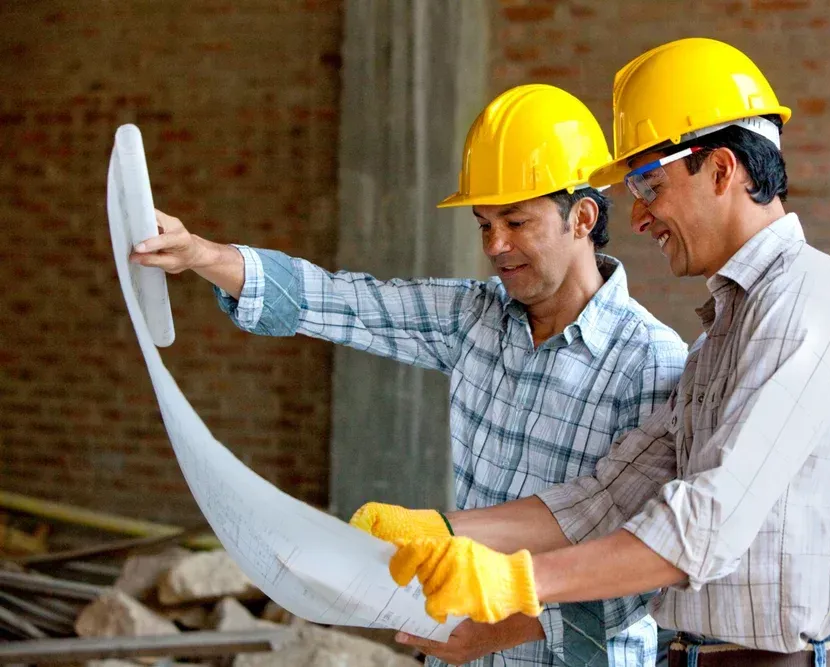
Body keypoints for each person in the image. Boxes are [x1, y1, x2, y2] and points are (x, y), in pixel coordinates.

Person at [361, 38, 830, 667]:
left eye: (649, 185)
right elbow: (605, 499)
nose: (637, 218)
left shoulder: (809, 300)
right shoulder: (721, 336)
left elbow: (705, 524)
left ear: (722, 170)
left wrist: (517, 583)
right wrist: (441, 530)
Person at [131, 83, 688, 666]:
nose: (496, 245)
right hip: (460, 647)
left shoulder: (650, 363)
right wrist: (204, 255)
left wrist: (503, 629)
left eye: (516, 221)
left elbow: (649, 567)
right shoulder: (474, 318)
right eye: (483, 224)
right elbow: (342, 302)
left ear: (583, 217)